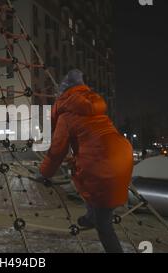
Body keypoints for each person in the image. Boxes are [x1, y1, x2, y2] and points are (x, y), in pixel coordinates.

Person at [38, 69, 133, 253]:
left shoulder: (66, 115)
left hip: (103, 161)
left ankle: (100, 226)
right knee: (86, 180)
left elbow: (57, 150)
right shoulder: (95, 108)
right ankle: (92, 216)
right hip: (122, 154)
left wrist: (44, 174)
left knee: (104, 225)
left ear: (62, 96)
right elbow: (92, 139)